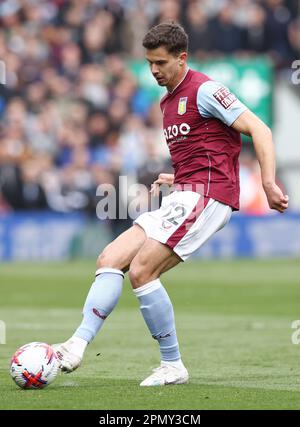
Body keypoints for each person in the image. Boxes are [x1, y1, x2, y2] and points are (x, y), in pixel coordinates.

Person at [54, 22, 289, 386]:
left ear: (182, 58)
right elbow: (204, 151)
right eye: (149, 62)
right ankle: (75, 345)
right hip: (186, 191)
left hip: (209, 196)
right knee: (110, 258)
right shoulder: (166, 102)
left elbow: (261, 129)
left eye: (161, 62)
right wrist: (177, 178)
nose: (153, 70)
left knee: (142, 271)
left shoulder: (207, 90)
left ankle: (172, 364)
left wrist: (268, 183)